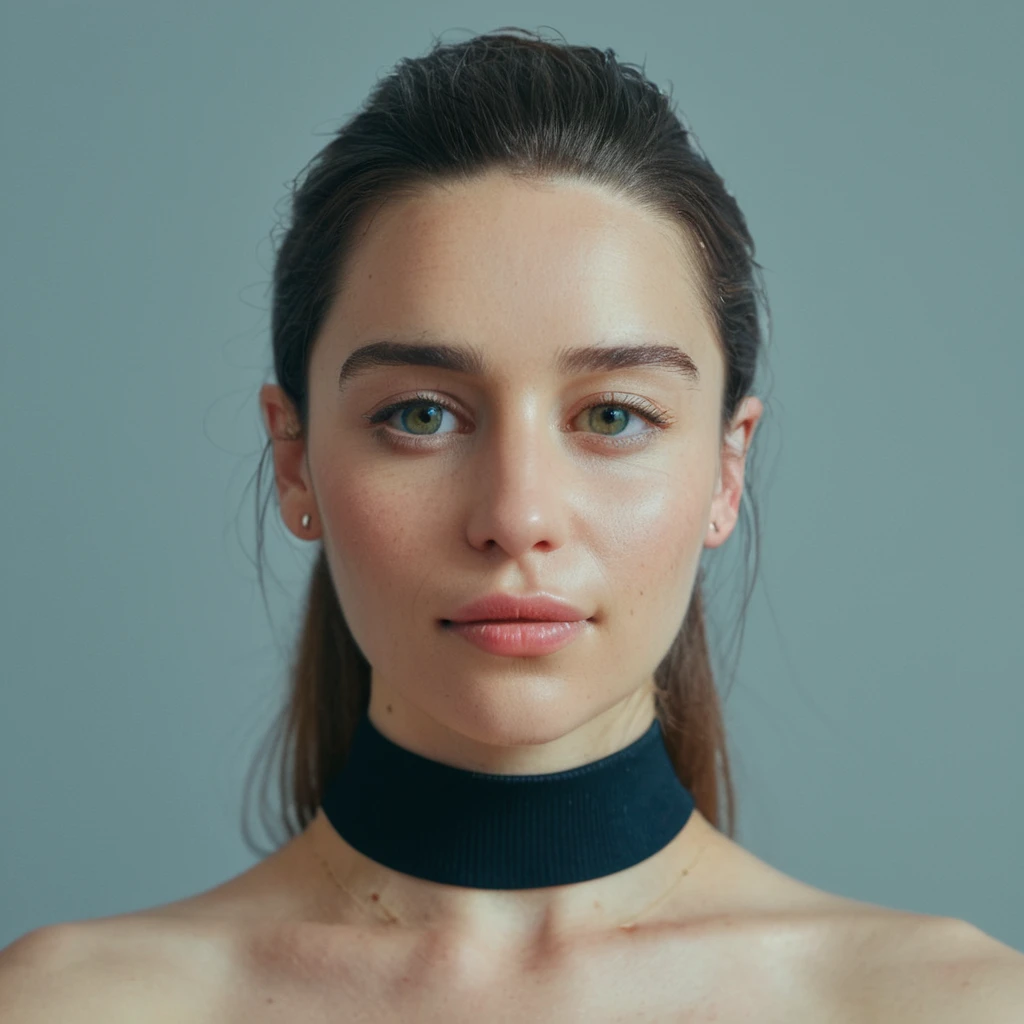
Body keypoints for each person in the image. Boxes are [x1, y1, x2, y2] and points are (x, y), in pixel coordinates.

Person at [3, 26, 1023, 1023]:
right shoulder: (66, 1004)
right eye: (421, 415)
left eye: (612, 416)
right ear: (294, 456)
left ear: (725, 468)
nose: (515, 516)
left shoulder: (956, 1004)